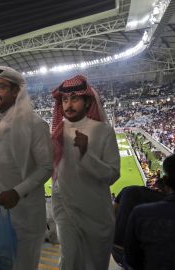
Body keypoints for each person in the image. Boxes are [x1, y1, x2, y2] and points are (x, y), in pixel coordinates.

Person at [0, 66, 53, 269]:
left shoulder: (36, 125)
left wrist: (17, 192)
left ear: (16, 91)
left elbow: (46, 167)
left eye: (0, 87)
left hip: (26, 212)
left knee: (23, 264)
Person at [50, 75, 120, 270]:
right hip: (65, 208)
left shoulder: (104, 131)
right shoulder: (57, 132)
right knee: (69, 260)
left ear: (87, 101)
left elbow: (113, 174)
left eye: (74, 98)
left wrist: (85, 153)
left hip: (96, 213)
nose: (68, 104)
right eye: (64, 100)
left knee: (94, 264)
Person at [112, 178, 169, 265]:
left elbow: (112, 213)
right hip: (135, 255)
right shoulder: (165, 202)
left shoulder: (129, 189)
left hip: (115, 249)